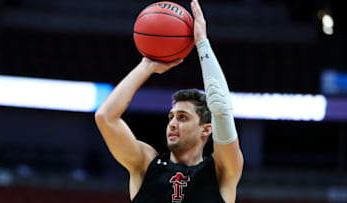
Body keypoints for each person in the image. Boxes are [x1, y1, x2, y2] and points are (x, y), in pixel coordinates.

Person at [95, 0, 244, 202]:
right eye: (171, 117)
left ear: (206, 129)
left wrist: (202, 43)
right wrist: (146, 66)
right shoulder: (145, 164)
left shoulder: (222, 171)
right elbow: (106, 117)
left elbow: (221, 108)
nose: (172, 123)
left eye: (183, 117)